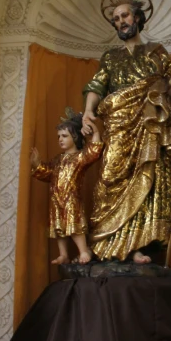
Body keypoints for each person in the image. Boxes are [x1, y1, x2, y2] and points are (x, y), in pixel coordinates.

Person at [82, 0, 171, 264]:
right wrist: (88, 111)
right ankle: (105, 244)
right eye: (116, 19)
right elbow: (97, 85)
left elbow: (169, 81)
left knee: (147, 178)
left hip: (148, 123)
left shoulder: (156, 52)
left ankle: (136, 248)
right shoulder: (110, 57)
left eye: (125, 16)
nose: (121, 21)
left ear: (137, 18)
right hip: (119, 123)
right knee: (111, 178)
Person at [30, 109, 103, 264]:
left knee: (74, 225)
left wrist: (95, 130)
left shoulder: (80, 157)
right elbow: (47, 173)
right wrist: (37, 164)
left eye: (64, 136)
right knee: (59, 228)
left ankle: (83, 251)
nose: (60, 140)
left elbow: (94, 150)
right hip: (56, 199)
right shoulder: (57, 159)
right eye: (58, 137)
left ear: (75, 137)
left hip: (72, 198)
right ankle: (63, 254)